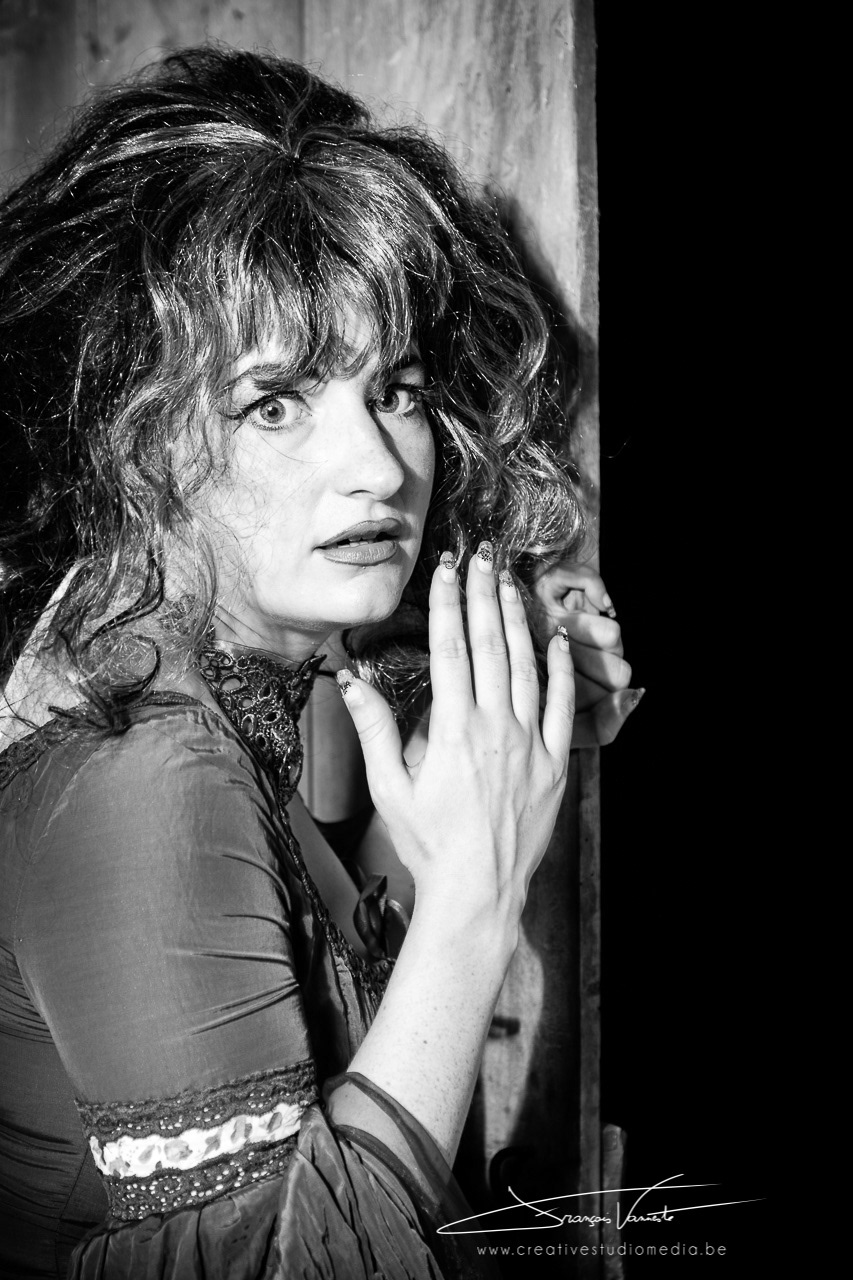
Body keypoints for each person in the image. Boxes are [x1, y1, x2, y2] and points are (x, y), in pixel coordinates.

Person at [0, 48, 641, 1279]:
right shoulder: (143, 774)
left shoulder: (216, 676)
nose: (380, 466)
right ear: (132, 436)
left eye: (394, 389)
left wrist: (481, 702)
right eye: (275, 402)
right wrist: (476, 889)